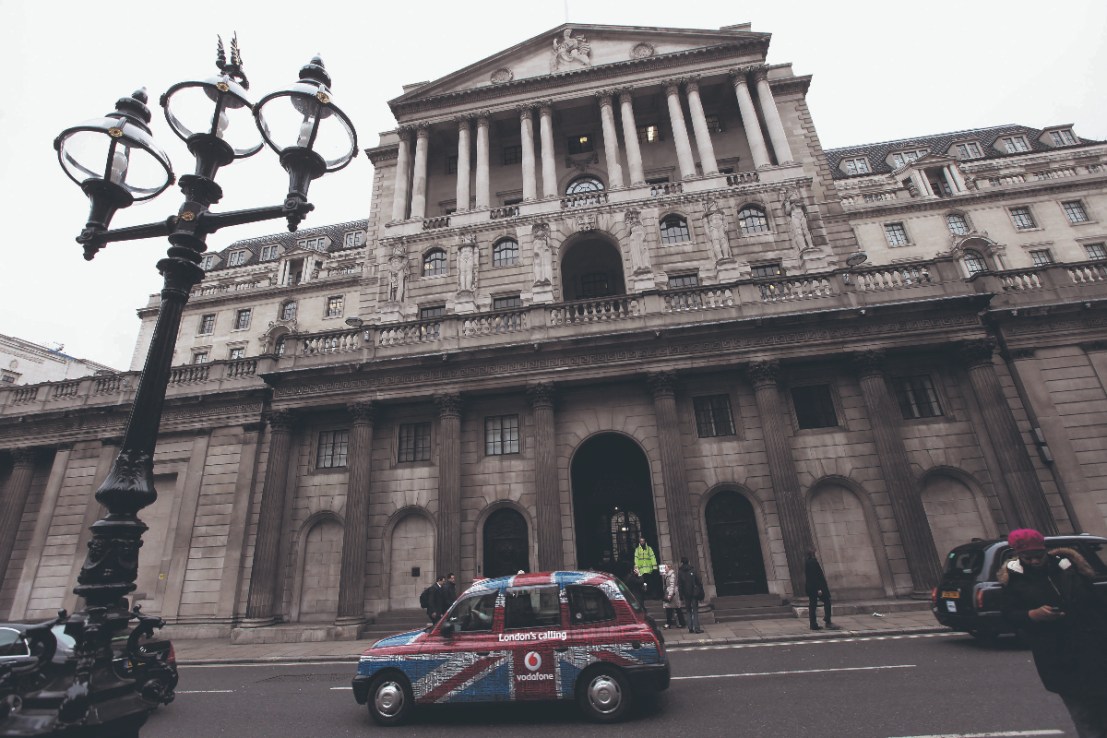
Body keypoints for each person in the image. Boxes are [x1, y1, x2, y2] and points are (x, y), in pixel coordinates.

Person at [999, 528, 1107, 738]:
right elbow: (1008, 615)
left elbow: (1097, 605)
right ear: (1018, 555)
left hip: (1095, 650)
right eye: (1027, 557)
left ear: (1045, 550)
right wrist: (1031, 615)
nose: (1034, 561)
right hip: (1059, 657)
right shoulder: (1013, 581)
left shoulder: (1070, 569)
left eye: (1038, 556)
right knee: (1084, 716)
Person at [805, 549, 840, 631]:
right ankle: (827, 621)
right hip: (817, 588)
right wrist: (819, 589)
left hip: (810, 588)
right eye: (815, 552)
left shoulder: (807, 562)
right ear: (813, 554)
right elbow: (815, 577)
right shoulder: (813, 562)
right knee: (827, 601)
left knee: (812, 605)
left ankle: (813, 624)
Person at [677, 556, 705, 634]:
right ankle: (697, 628)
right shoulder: (692, 570)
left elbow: (680, 585)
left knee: (688, 611)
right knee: (695, 611)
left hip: (686, 594)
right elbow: (698, 581)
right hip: (694, 593)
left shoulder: (680, 572)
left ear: (682, 562)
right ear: (688, 561)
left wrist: (680, 595)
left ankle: (690, 628)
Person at [660, 563, 686, 630]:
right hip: (670, 592)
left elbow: (672, 585)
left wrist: (669, 595)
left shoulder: (672, 575)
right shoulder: (667, 574)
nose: (664, 569)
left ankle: (672, 623)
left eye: (665, 567)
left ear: (669, 568)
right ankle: (671, 623)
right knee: (671, 609)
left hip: (672, 594)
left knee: (675, 609)